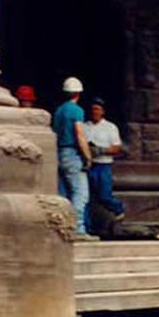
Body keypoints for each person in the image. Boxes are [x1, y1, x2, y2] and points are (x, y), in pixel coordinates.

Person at [52, 76, 91, 236]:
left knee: (63, 194)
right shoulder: (77, 111)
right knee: (80, 193)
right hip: (72, 154)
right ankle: (77, 228)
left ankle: (61, 227)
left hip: (58, 153)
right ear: (78, 93)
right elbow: (79, 134)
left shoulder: (59, 111)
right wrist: (88, 156)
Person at [82, 97, 125, 227]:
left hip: (103, 165)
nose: (95, 112)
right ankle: (86, 226)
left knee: (104, 195)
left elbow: (117, 147)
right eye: (93, 109)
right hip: (89, 165)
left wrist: (101, 150)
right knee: (86, 198)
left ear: (102, 111)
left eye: (97, 109)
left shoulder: (110, 127)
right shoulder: (85, 126)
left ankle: (118, 209)